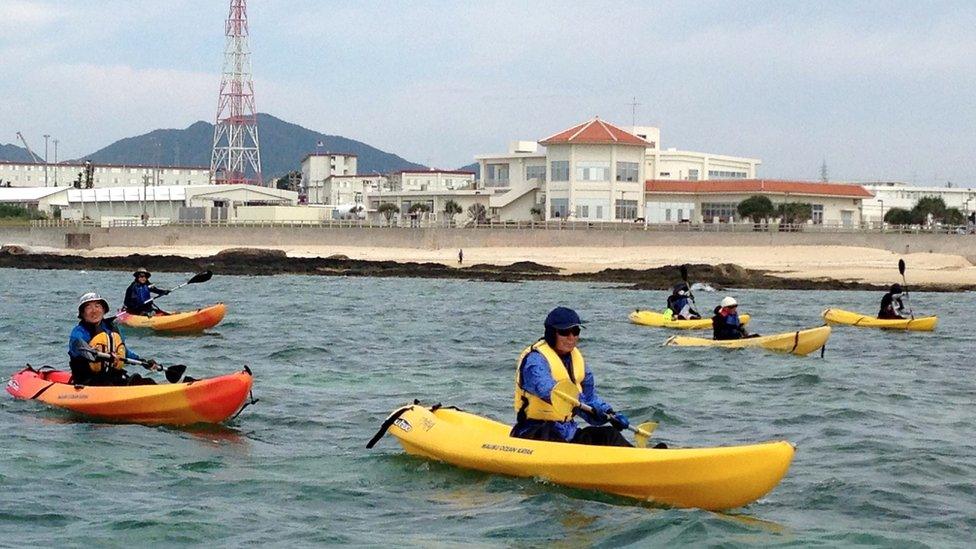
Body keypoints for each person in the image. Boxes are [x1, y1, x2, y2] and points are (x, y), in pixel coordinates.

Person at [511, 307, 633, 447]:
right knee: (551, 435)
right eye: (564, 332)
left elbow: (589, 397)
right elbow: (551, 392)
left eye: (575, 332)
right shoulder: (535, 360)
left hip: (568, 431)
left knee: (609, 435)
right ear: (551, 334)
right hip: (533, 431)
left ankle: (641, 459)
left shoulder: (576, 359)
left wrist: (609, 414)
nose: (571, 338)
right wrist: (583, 404)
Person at [68, 292, 157, 386]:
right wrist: (101, 354)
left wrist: (143, 361)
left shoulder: (111, 328)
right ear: (82, 313)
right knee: (107, 383)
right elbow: (78, 348)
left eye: (97, 306)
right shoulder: (79, 333)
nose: (94, 311)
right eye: (88, 307)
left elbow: (123, 352)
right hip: (87, 380)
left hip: (112, 377)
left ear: (103, 310)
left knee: (147, 381)